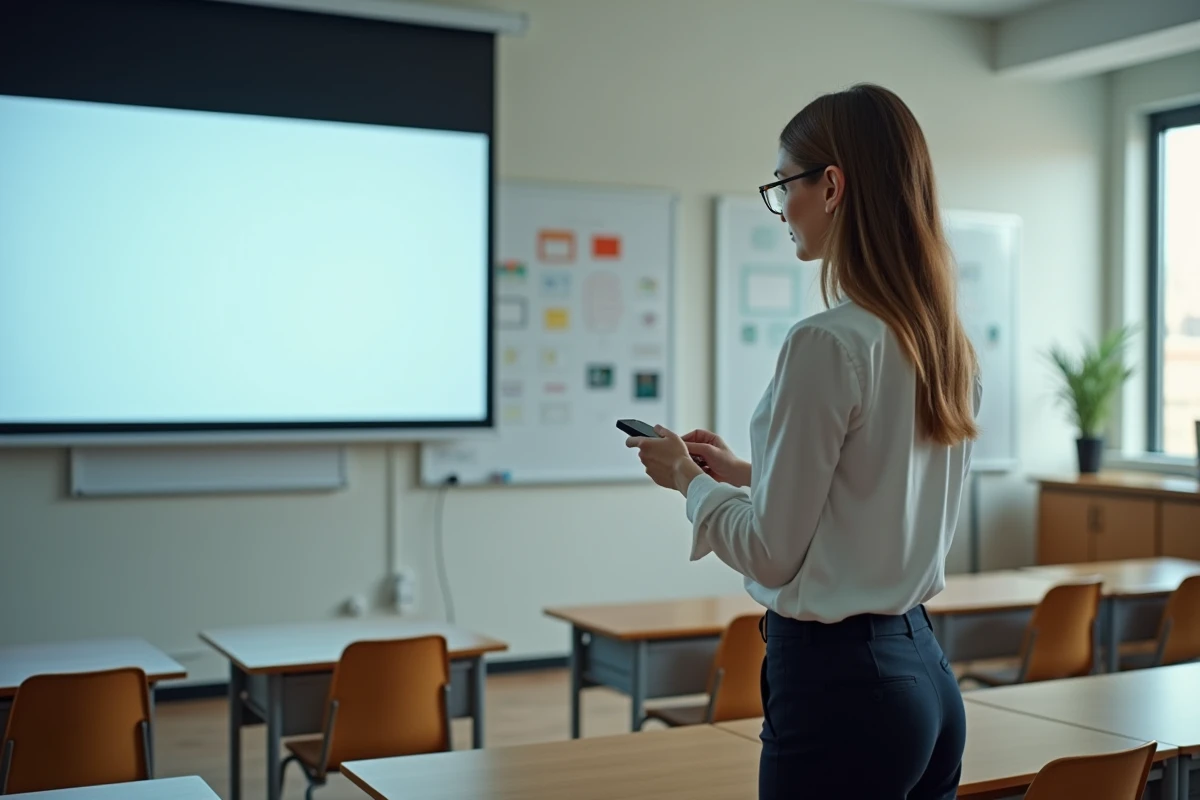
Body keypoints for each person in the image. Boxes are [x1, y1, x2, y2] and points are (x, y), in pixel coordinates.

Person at [626, 83, 982, 800]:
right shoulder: (943, 344)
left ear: (830, 185)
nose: (780, 206)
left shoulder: (825, 342)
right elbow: (870, 495)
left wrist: (688, 482)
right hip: (925, 680)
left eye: (783, 184)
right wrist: (747, 473)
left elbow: (769, 552)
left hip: (844, 690)